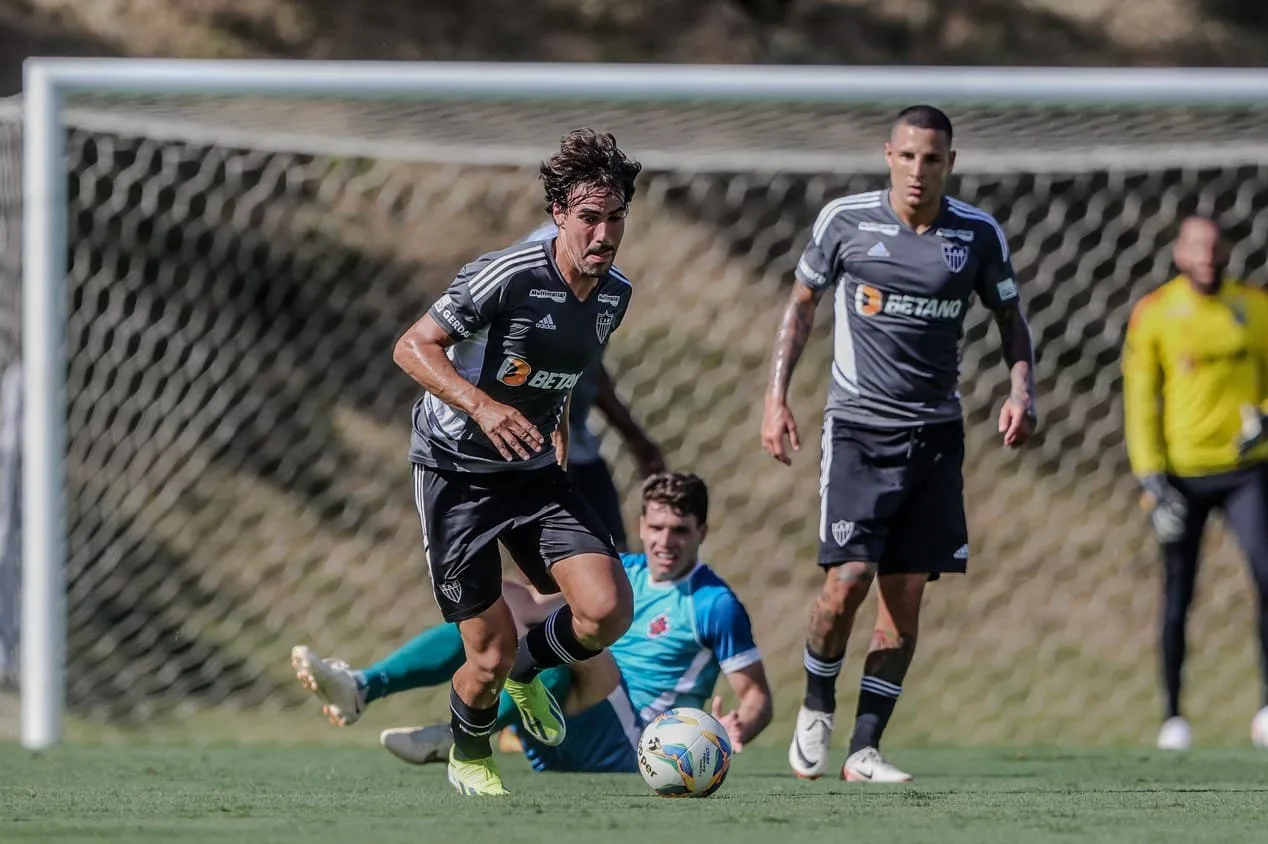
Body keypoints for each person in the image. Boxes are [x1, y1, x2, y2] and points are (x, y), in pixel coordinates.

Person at [760, 105, 1037, 783]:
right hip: (858, 428)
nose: (919, 170)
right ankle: (817, 706)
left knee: (905, 595)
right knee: (847, 581)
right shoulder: (845, 221)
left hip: (936, 436)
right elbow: (800, 305)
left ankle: (863, 750)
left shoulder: (975, 234)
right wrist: (776, 396)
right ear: (889, 155)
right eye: (908, 156)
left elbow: (1011, 318)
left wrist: (1021, 390)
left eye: (933, 159)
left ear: (950, 163)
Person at [384, 128, 642, 796]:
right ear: (559, 215)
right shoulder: (507, 274)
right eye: (589, 218)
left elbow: (554, 375)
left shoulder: (614, 295)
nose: (603, 233)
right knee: (487, 652)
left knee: (607, 610)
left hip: (531, 473)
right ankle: (469, 749)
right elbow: (412, 347)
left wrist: (549, 429)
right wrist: (482, 407)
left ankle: (530, 672)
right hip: (455, 473)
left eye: (615, 219)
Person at [290, 472, 773, 768]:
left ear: (702, 532)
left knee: (570, 649)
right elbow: (537, 608)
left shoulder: (713, 604)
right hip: (567, 729)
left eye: (680, 531)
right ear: (642, 525)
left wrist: (737, 729)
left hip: (638, 745)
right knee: (502, 603)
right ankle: (362, 687)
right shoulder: (624, 572)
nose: (665, 541)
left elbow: (757, 699)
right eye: (656, 527)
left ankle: (458, 732)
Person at [1121, 215, 1268, 751]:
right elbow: (1139, 398)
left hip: (1247, 472)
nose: (1207, 255)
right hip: (1180, 476)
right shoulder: (1155, 313)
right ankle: (1174, 716)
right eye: (1196, 247)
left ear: (1227, 249)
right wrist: (1151, 477)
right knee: (1178, 593)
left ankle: (1266, 710)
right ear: (1179, 254)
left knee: (1266, 574)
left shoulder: (1254, 307)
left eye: (1214, 245)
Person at [521, 221, 667, 551]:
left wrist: (635, 438)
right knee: (546, 573)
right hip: (526, 448)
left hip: (579, 447)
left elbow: (589, 371)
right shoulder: (524, 280)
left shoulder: (603, 289)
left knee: (614, 558)